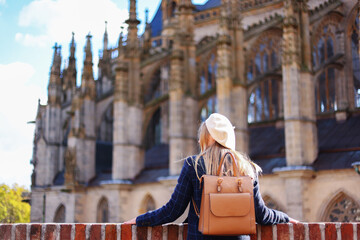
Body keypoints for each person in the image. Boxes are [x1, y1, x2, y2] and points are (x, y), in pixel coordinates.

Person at [125, 113, 298, 239]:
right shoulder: (247, 168)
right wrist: (285, 217)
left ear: (205, 137)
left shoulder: (193, 165)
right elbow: (261, 215)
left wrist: (139, 220)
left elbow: (172, 211)